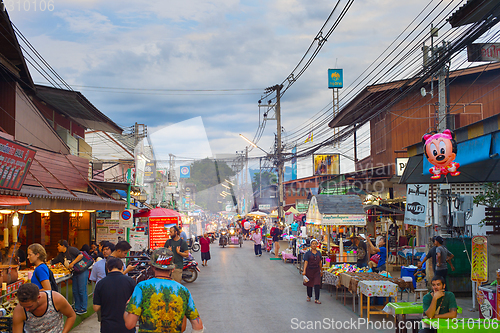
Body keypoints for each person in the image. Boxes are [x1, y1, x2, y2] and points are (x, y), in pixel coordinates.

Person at [124, 248, 204, 333]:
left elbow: (130, 324)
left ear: (152, 267)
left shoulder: (142, 287)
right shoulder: (183, 290)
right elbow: (198, 326)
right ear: (172, 269)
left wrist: (128, 305)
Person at [93, 257, 136, 333]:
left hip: (108, 327)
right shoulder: (130, 282)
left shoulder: (101, 284)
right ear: (122, 267)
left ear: (107, 268)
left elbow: (96, 307)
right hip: (127, 326)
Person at [50, 240, 88, 315]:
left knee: (81, 289)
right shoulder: (61, 255)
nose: (57, 247)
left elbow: (80, 255)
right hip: (74, 272)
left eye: (58, 246)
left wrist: (73, 263)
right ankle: (77, 307)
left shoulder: (71, 249)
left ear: (63, 246)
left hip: (81, 270)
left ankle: (83, 308)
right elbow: (54, 261)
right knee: (75, 290)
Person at [302, 239, 323, 304]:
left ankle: (317, 298)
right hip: (309, 270)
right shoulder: (307, 253)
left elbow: (320, 262)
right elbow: (306, 262)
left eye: (315, 244)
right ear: (311, 245)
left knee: (317, 284)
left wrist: (321, 270)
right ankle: (309, 296)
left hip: (316, 271)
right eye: (313, 244)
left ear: (317, 245)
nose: (314, 245)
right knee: (309, 284)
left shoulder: (319, 253)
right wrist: (304, 270)